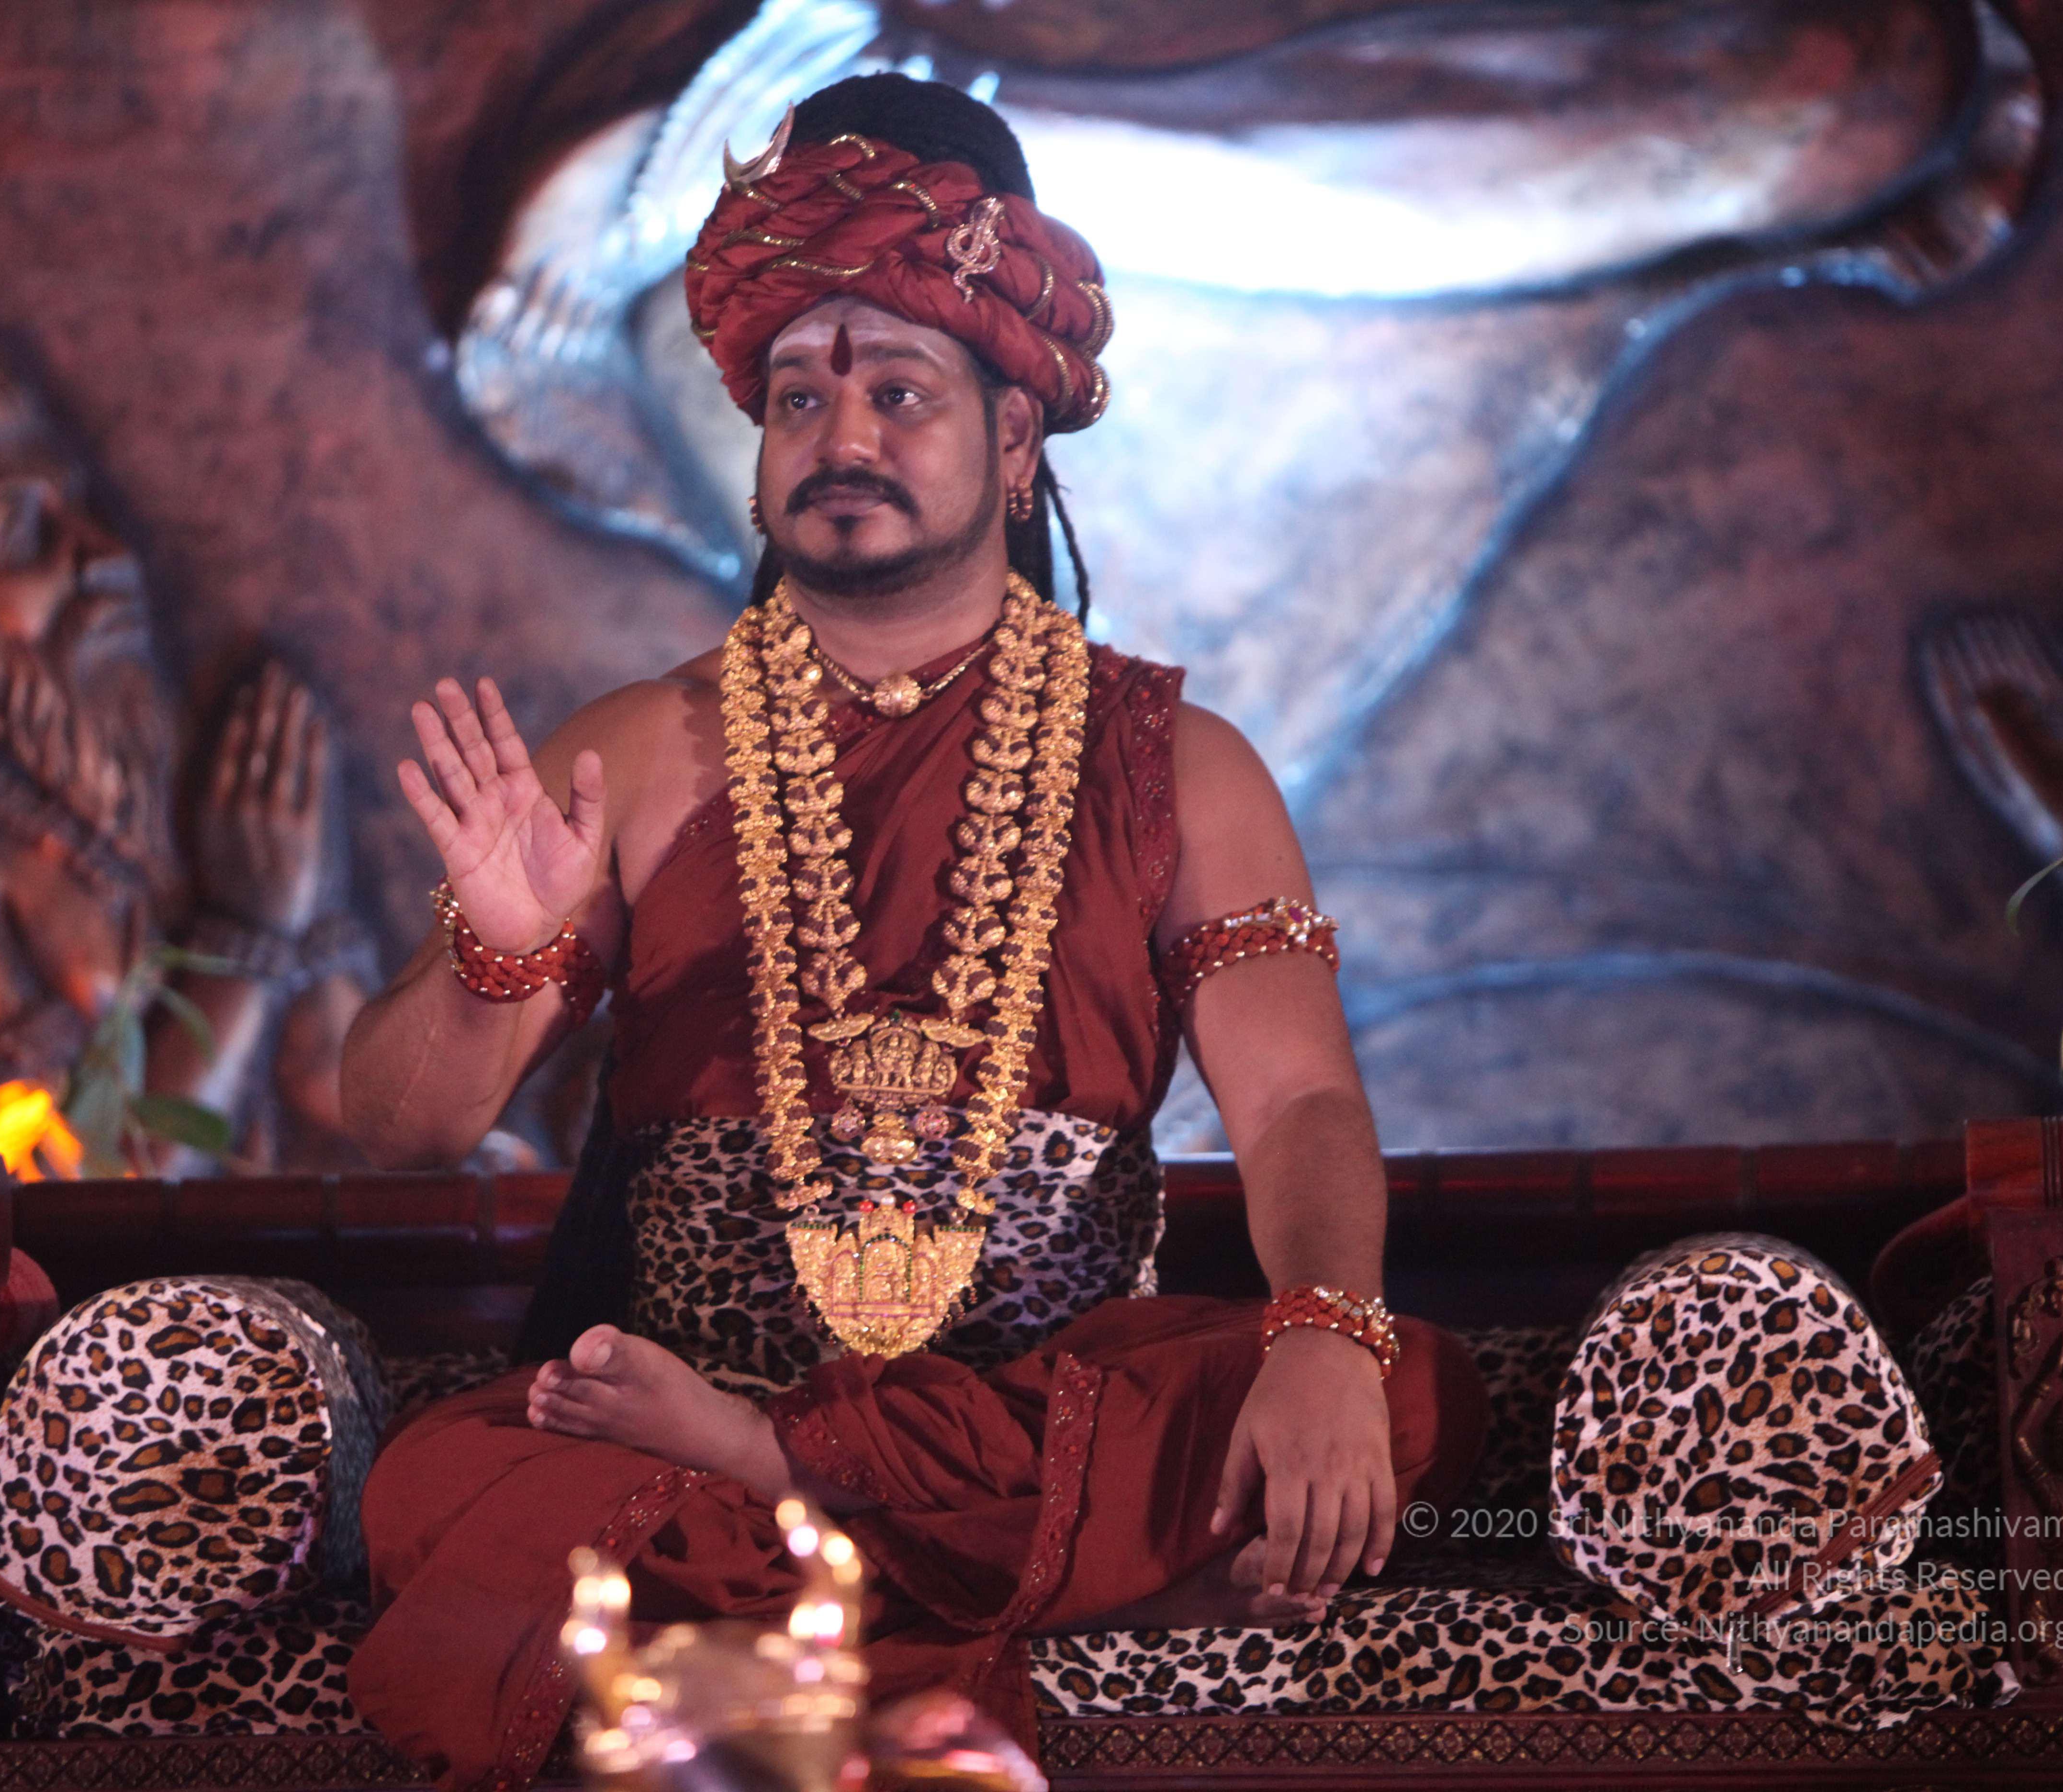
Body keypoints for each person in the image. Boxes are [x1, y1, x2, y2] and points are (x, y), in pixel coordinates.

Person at [337, 74, 1486, 1788]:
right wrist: (500, 954)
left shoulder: (1179, 765)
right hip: (690, 1410)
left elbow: (1304, 1106)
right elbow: (397, 1125)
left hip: (1036, 1406)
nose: (841, 436)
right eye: (799, 395)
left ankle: (795, 1498)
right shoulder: (637, 753)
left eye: (898, 390)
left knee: (1404, 1398)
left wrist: (1326, 1327)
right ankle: (918, 1527)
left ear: (1017, 441)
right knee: (445, 1482)